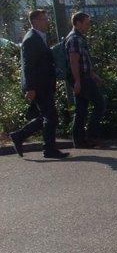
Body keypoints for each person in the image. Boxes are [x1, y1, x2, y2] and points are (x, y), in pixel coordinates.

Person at [9, 9, 67, 159]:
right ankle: (48, 148)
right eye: (44, 19)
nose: (47, 21)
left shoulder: (38, 37)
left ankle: (19, 136)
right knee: (51, 117)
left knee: (47, 116)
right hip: (39, 86)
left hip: (44, 85)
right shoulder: (31, 39)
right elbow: (28, 65)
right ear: (35, 21)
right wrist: (30, 88)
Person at [66, 11, 105, 149]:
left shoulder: (78, 38)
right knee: (99, 104)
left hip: (85, 77)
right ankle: (91, 136)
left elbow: (83, 61)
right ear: (78, 23)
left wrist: (93, 75)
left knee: (81, 109)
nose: (89, 26)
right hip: (83, 79)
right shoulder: (75, 39)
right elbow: (73, 61)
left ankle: (79, 140)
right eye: (86, 23)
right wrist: (77, 81)